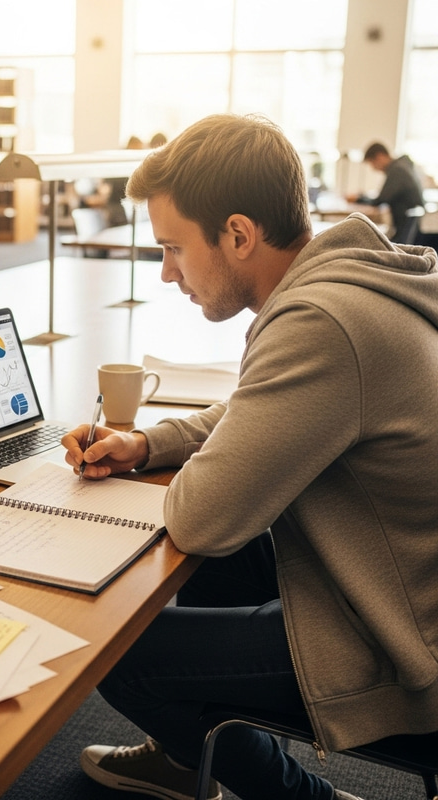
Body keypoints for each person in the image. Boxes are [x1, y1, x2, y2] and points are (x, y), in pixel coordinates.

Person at [61, 114, 438, 800]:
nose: (169, 274)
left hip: (402, 641)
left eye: (174, 248)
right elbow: (258, 410)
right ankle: (186, 755)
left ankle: (301, 797)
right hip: (390, 582)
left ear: (238, 234)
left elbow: (201, 518)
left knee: (116, 650)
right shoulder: (346, 281)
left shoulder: (321, 323)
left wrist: (186, 474)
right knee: (214, 563)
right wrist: (148, 444)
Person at [350, 141, 424, 243]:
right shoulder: (402, 165)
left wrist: (357, 199)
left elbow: (381, 200)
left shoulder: (397, 170)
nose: (373, 168)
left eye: (372, 163)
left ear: (380, 156)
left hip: (403, 229)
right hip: (408, 226)